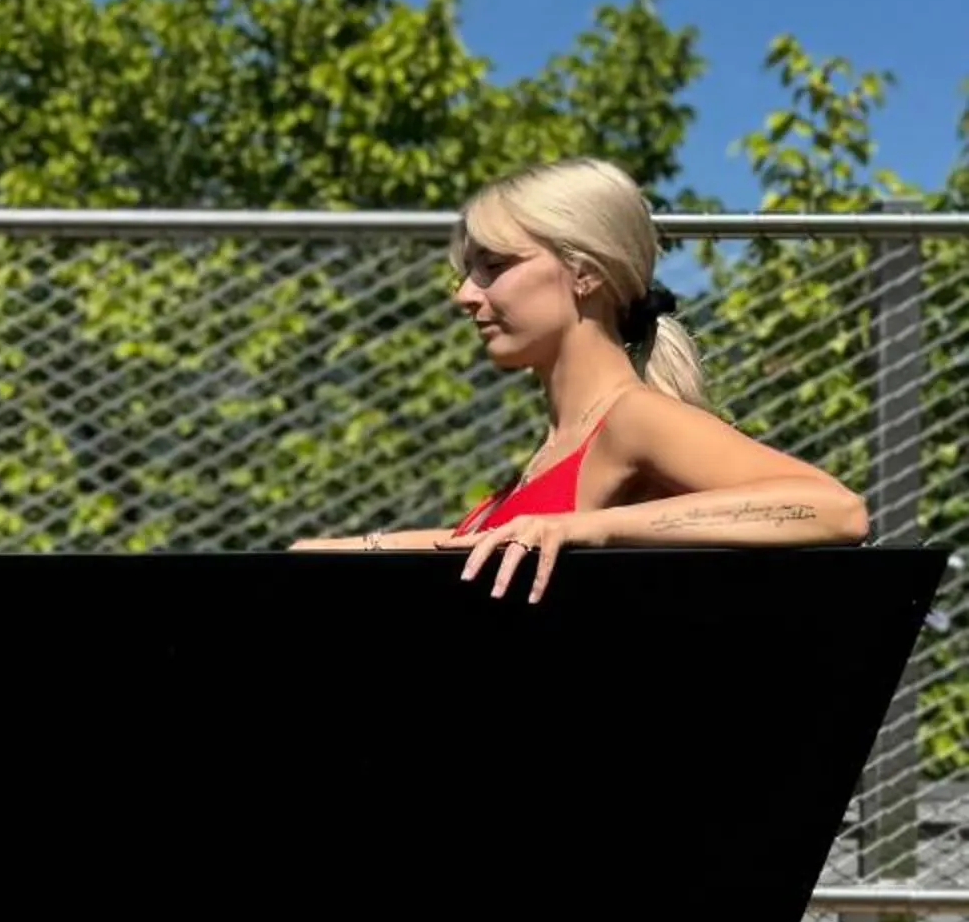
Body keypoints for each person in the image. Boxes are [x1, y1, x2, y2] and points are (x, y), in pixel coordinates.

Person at [291, 156, 868, 600]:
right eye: (468, 272)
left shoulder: (631, 417)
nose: (465, 294)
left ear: (584, 273)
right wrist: (342, 550)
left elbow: (834, 509)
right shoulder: (554, 450)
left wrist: (589, 529)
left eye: (494, 266)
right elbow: (464, 550)